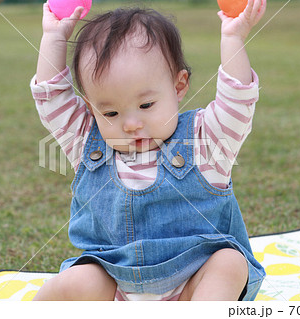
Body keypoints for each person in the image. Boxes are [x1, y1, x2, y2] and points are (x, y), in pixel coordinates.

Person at [30, 0, 266, 301]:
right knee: (80, 280)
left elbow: (237, 101)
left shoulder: (204, 141)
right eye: (111, 113)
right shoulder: (86, 142)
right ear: (91, 109)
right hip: (115, 285)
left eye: (146, 106)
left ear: (179, 87)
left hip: (191, 287)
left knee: (229, 262)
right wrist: (54, 37)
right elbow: (51, 97)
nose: (130, 124)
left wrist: (232, 39)